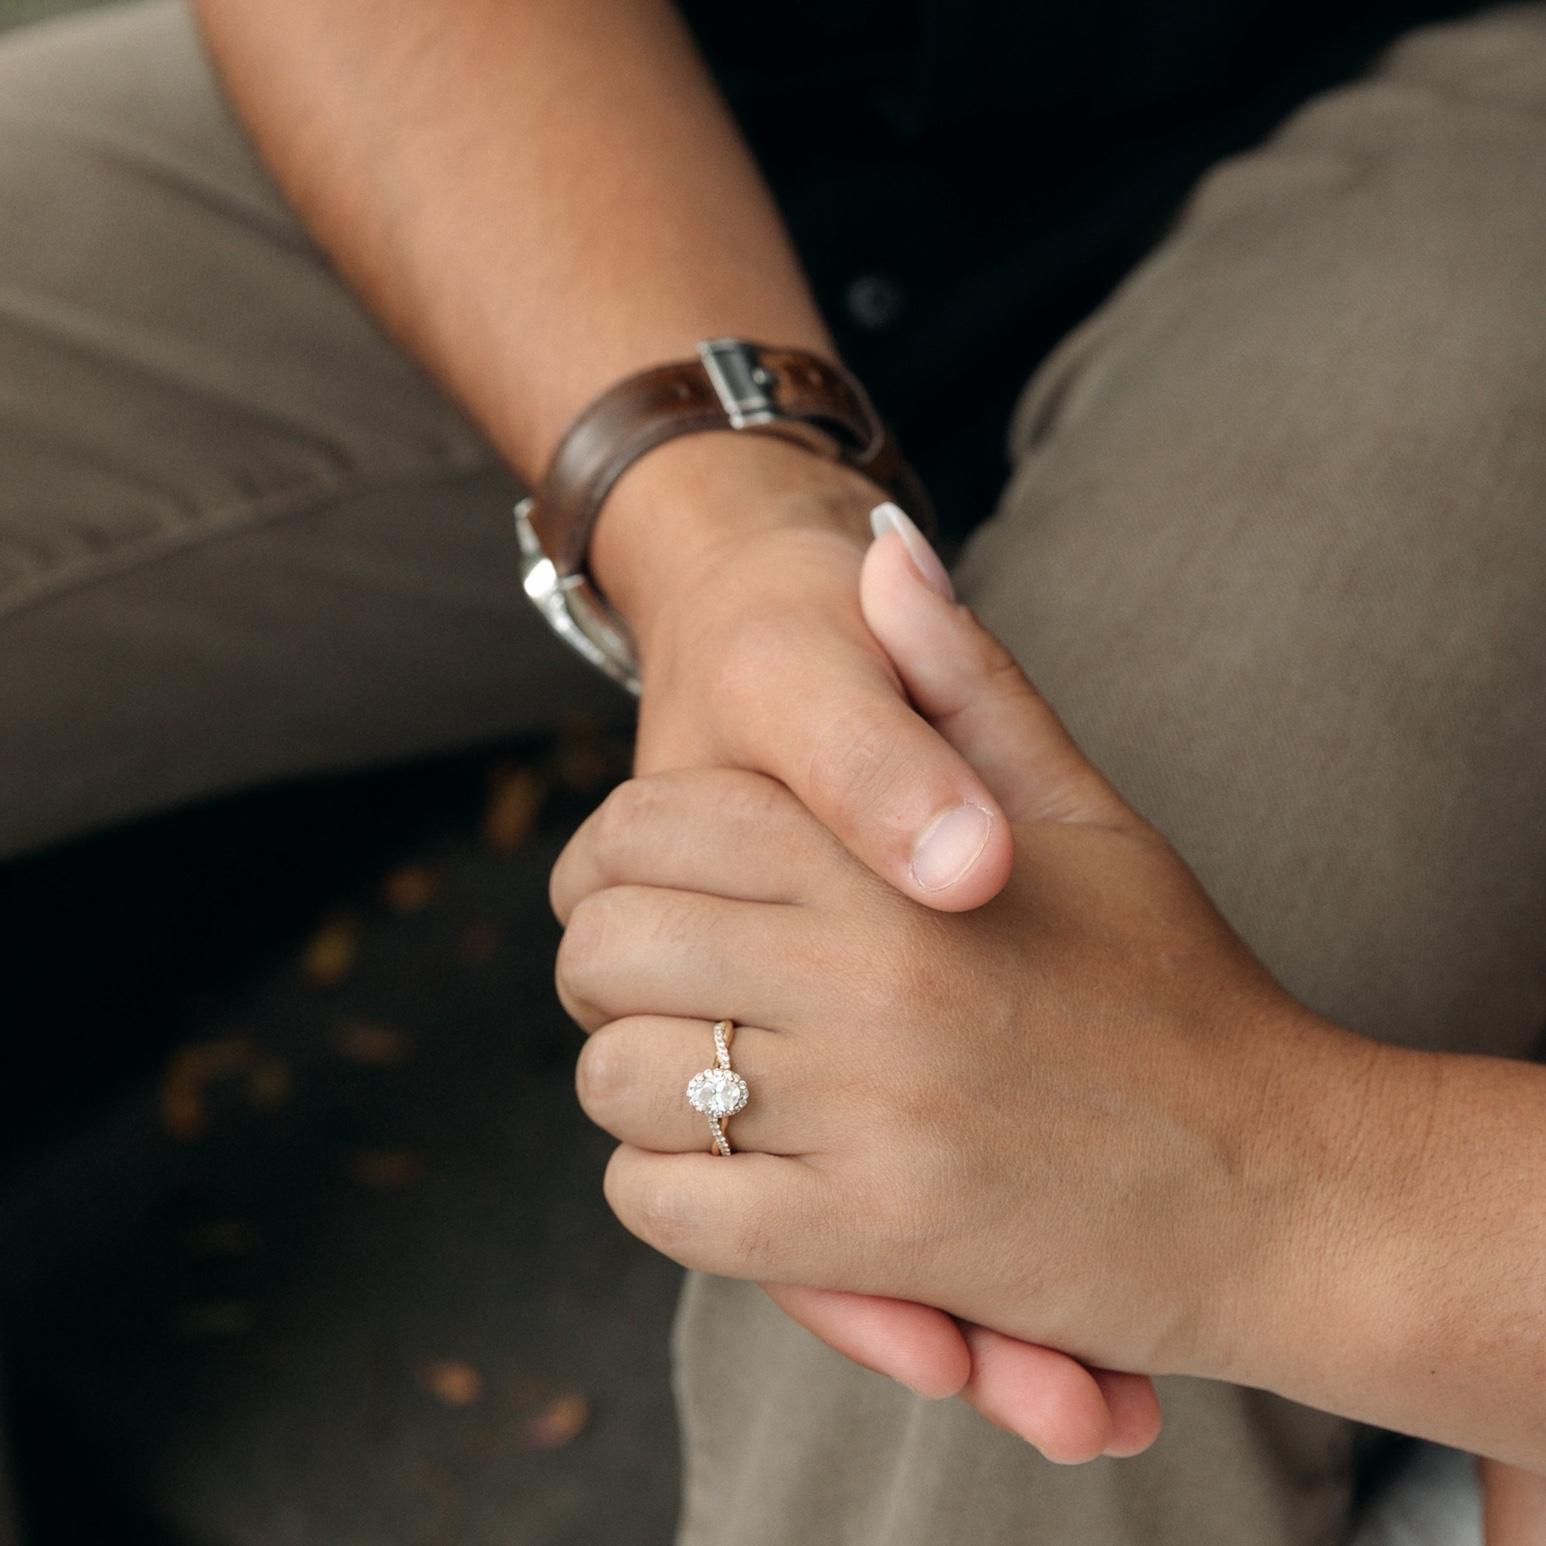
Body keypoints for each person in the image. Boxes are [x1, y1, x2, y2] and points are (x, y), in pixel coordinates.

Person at [0, 0, 1541, 1541]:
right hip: (655, 111)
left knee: (978, 1249)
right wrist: (707, 525)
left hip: (1470, 117)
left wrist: (1263, 1175)